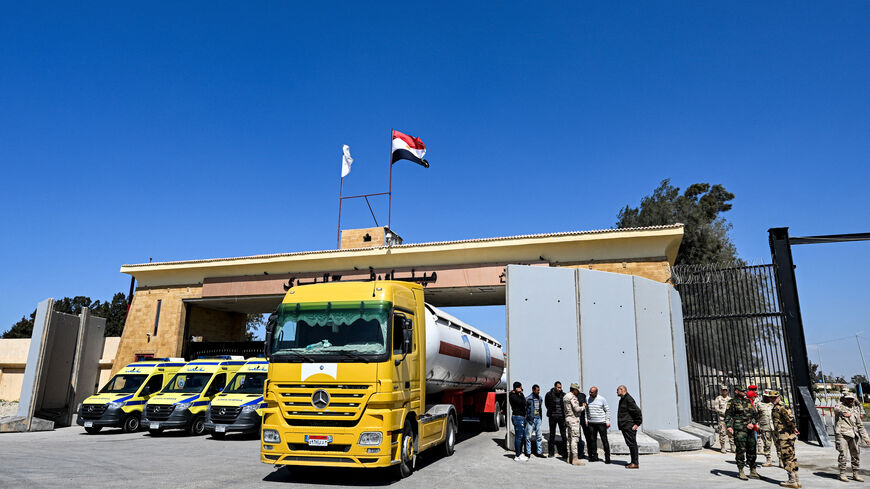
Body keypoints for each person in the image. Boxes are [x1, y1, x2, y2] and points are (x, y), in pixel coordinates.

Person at [834, 392, 870, 482]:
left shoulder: (854, 409)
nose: (850, 400)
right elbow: (836, 410)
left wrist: (866, 438)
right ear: (844, 398)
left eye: (851, 399)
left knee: (855, 455)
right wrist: (843, 412)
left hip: (854, 434)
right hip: (842, 434)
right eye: (848, 399)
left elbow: (860, 425)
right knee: (843, 455)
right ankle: (842, 474)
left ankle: (856, 474)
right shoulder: (840, 406)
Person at [725, 386, 759, 480]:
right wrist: (729, 426)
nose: (744, 392)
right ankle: (741, 471)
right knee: (740, 450)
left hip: (750, 430)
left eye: (745, 391)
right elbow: (728, 415)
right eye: (742, 391)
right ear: (736, 391)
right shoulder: (732, 402)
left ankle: (753, 471)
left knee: (752, 449)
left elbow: (755, 414)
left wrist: (752, 423)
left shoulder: (748, 401)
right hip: (739, 430)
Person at [770, 389, 800, 488]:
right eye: (771, 398)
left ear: (779, 397)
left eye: (775, 397)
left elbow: (791, 420)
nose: (773, 399)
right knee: (792, 457)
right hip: (786, 435)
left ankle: (792, 480)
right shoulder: (777, 407)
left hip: (785, 436)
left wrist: (791, 428)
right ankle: (796, 479)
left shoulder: (781, 407)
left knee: (787, 458)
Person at [617, 385, 642, 469]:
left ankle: (635, 463)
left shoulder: (628, 399)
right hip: (625, 426)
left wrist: (637, 423)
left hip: (629, 426)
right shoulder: (623, 399)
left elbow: (637, 411)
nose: (617, 392)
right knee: (630, 444)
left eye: (618, 390)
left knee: (632, 444)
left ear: (622, 390)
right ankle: (633, 462)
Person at [585, 386, 611, 463]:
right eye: (589, 391)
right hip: (591, 423)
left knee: (604, 440)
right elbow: (586, 410)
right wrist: (586, 420)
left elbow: (607, 410)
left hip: (601, 423)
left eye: (592, 392)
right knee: (592, 440)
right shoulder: (587, 399)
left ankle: (607, 457)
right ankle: (594, 456)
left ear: (596, 392)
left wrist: (607, 421)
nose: (590, 393)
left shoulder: (602, 399)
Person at [562, 383, 586, 466]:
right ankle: (575, 459)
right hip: (573, 419)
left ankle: (569, 457)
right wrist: (583, 407)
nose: (578, 392)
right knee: (574, 439)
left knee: (569, 438)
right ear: (574, 390)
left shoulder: (565, 396)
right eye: (577, 390)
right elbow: (576, 408)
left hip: (567, 418)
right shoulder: (572, 397)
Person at [545, 381, 566, 458]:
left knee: (563, 435)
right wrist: (551, 411)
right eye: (558, 387)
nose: (560, 389)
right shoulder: (549, 394)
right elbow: (546, 404)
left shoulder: (564, 395)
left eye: (560, 387)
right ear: (555, 387)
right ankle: (551, 453)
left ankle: (564, 453)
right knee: (552, 434)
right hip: (552, 417)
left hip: (561, 417)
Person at [756, 389, 777, 467]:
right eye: (767, 397)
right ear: (764, 396)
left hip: (775, 427)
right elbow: (756, 416)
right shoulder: (759, 404)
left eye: (770, 397)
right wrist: (757, 425)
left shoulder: (774, 404)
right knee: (767, 444)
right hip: (765, 427)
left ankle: (781, 460)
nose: (768, 398)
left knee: (778, 444)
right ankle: (768, 460)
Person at [509, 381, 528, 461]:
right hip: (517, 417)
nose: (521, 389)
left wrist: (521, 393)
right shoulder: (513, 396)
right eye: (520, 387)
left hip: (522, 417)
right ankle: (517, 455)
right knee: (518, 437)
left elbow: (524, 402)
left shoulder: (519, 395)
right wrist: (520, 394)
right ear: (517, 388)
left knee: (523, 436)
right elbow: (522, 403)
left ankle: (520, 453)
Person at [525, 384, 545, 457]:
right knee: (528, 437)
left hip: (538, 419)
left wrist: (540, 418)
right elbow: (525, 409)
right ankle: (528, 452)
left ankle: (539, 452)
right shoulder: (528, 399)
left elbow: (540, 409)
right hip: (531, 420)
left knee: (539, 436)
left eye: (539, 390)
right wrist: (528, 418)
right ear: (533, 390)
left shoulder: (540, 398)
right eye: (537, 390)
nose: (538, 391)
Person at [714, 386, 735, 453]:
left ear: (727, 391)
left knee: (731, 433)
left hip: (729, 419)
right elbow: (716, 408)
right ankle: (723, 447)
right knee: (722, 433)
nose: (724, 391)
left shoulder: (730, 399)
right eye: (723, 390)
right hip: (722, 418)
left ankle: (732, 447)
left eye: (726, 390)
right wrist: (723, 412)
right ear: (721, 391)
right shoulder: (718, 398)